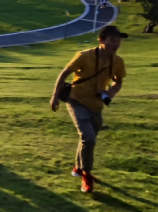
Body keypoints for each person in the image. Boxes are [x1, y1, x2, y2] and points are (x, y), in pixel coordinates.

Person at [50, 25, 127, 193]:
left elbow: (118, 81)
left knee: (88, 139)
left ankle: (78, 168)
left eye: (118, 42)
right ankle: (86, 176)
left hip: (97, 106)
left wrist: (109, 93)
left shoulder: (118, 61)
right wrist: (55, 97)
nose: (116, 45)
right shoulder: (84, 56)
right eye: (112, 41)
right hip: (76, 100)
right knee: (88, 138)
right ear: (101, 41)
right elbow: (64, 74)